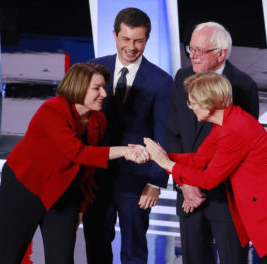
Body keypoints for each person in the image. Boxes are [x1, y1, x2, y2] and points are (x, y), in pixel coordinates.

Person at [145, 71, 267, 264]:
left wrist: (167, 164)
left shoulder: (235, 129)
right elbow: (199, 159)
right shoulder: (223, 125)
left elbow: (209, 179)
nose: (190, 107)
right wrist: (156, 156)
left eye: (192, 102)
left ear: (209, 103)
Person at [0, 63, 148, 264]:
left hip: (64, 190)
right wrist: (125, 151)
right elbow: (77, 153)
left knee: (62, 258)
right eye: (96, 88)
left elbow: (86, 170)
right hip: (25, 185)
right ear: (78, 87)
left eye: (104, 87)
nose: (103, 93)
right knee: (8, 256)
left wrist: (81, 208)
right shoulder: (52, 109)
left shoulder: (98, 121)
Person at [82, 8, 173, 264]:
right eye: (126, 39)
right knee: (96, 242)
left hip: (136, 179)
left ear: (147, 39)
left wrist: (155, 181)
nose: (131, 47)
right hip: (96, 175)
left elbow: (163, 133)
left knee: (134, 248)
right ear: (114, 35)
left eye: (138, 41)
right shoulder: (92, 69)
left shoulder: (162, 82)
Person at [164, 21, 259, 264]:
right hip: (188, 194)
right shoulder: (182, 77)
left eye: (200, 51)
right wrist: (185, 184)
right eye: (190, 49)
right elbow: (173, 133)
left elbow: (237, 148)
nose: (192, 56)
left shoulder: (242, 86)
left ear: (221, 54)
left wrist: (196, 182)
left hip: (225, 196)